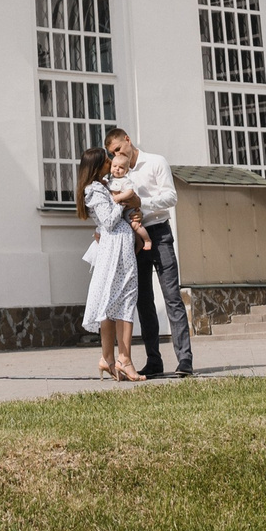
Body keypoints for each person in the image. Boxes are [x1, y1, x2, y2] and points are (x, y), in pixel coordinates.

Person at [106, 127, 192, 378]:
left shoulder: (155, 162)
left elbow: (171, 197)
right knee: (144, 301)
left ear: (128, 141)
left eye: (118, 149)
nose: (117, 157)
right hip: (134, 238)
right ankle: (154, 361)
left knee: (172, 296)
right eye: (112, 154)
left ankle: (184, 360)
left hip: (160, 234)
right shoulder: (118, 173)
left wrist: (141, 204)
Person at [74, 146, 144, 381]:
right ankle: (122, 360)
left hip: (118, 245)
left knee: (118, 299)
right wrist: (123, 202)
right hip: (115, 248)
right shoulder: (94, 189)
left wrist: (132, 208)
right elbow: (109, 220)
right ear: (96, 166)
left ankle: (111, 359)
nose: (110, 163)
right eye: (106, 161)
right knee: (119, 299)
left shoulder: (105, 185)